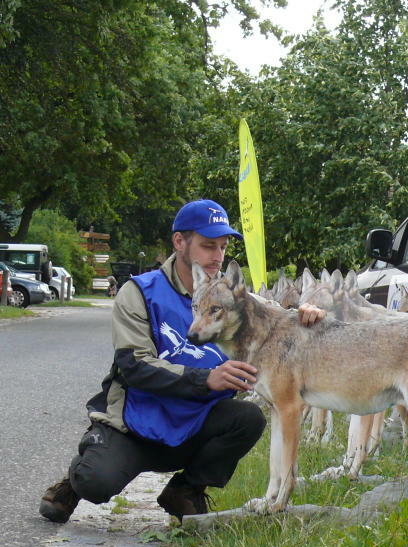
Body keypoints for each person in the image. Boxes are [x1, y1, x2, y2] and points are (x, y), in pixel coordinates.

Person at [39, 199, 326, 523]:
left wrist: (308, 314)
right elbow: (135, 366)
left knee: (248, 419)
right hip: (135, 427)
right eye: (207, 246)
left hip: (195, 423)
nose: (217, 257)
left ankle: (185, 490)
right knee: (97, 482)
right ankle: (74, 483)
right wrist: (205, 380)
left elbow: (279, 321)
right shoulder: (138, 293)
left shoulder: (236, 299)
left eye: (222, 247)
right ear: (180, 242)